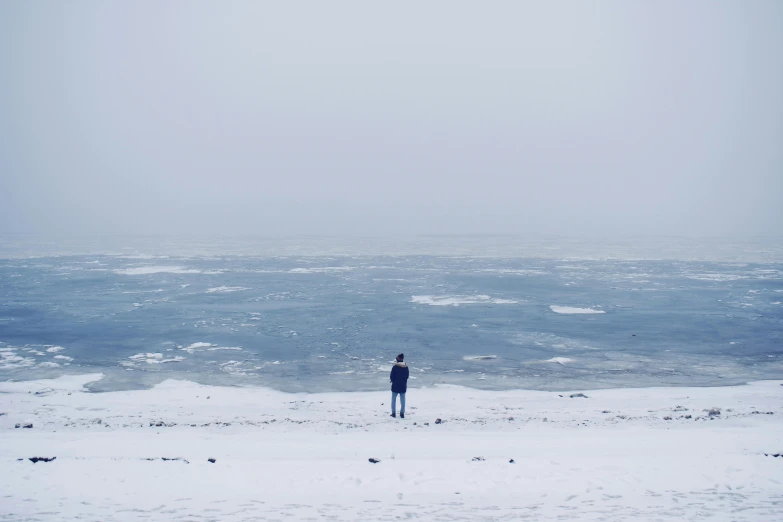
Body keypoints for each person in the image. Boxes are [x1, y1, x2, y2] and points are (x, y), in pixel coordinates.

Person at [390, 353, 409, 418]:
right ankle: (402, 413)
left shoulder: (395, 367)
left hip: (395, 385)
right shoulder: (406, 367)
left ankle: (393, 413)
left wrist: (393, 381)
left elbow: (392, 376)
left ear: (398, 359)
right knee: (403, 400)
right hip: (403, 385)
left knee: (393, 400)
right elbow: (407, 376)